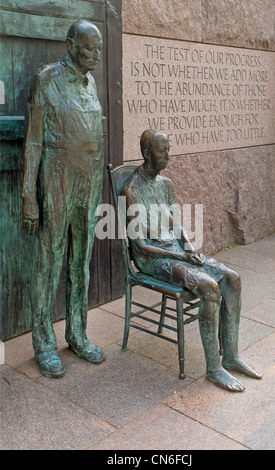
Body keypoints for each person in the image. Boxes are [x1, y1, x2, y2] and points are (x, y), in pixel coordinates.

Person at [122, 129, 262, 392]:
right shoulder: (132, 191)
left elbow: (175, 224)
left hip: (176, 251)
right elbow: (140, 245)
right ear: (147, 153)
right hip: (152, 260)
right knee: (210, 287)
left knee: (232, 279)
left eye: (168, 149)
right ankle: (214, 369)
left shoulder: (165, 185)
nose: (168, 155)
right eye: (163, 150)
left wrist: (189, 248)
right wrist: (181, 255)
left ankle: (230, 356)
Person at [22, 19, 105, 378]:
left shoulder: (90, 82)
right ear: (71, 45)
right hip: (57, 177)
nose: (96, 56)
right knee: (50, 259)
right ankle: (43, 342)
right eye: (90, 48)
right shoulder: (46, 79)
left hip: (89, 178)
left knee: (80, 260)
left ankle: (77, 332)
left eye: (100, 49)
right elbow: (33, 141)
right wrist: (28, 196)